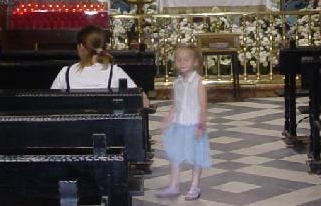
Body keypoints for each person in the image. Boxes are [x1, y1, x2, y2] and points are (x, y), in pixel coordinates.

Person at [156, 44, 210, 200]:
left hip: (194, 125)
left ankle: (194, 187)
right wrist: (167, 120)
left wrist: (201, 125)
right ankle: (173, 186)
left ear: (195, 62)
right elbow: (176, 104)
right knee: (175, 156)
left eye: (186, 59)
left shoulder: (198, 82)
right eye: (178, 60)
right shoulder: (177, 82)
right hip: (178, 125)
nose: (182, 62)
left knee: (196, 158)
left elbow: (203, 106)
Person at [50, 25, 150, 107]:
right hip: (107, 129)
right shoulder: (114, 72)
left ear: (80, 46)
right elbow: (144, 102)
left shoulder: (66, 72)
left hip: (72, 129)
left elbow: (50, 102)